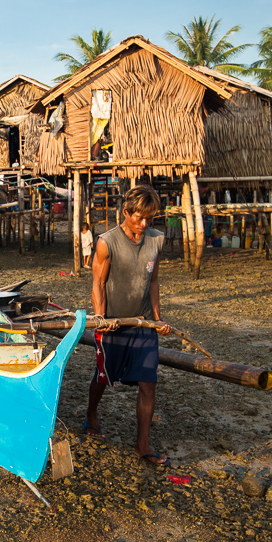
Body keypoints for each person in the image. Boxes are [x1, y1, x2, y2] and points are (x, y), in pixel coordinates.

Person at [85, 184, 173, 465]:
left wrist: (157, 320)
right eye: (139, 218)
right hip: (113, 323)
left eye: (150, 218)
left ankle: (142, 445)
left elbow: (154, 281)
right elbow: (98, 283)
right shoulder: (106, 242)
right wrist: (101, 318)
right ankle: (91, 414)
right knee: (103, 376)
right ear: (126, 212)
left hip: (143, 324)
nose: (144, 224)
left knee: (149, 384)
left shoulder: (156, 241)